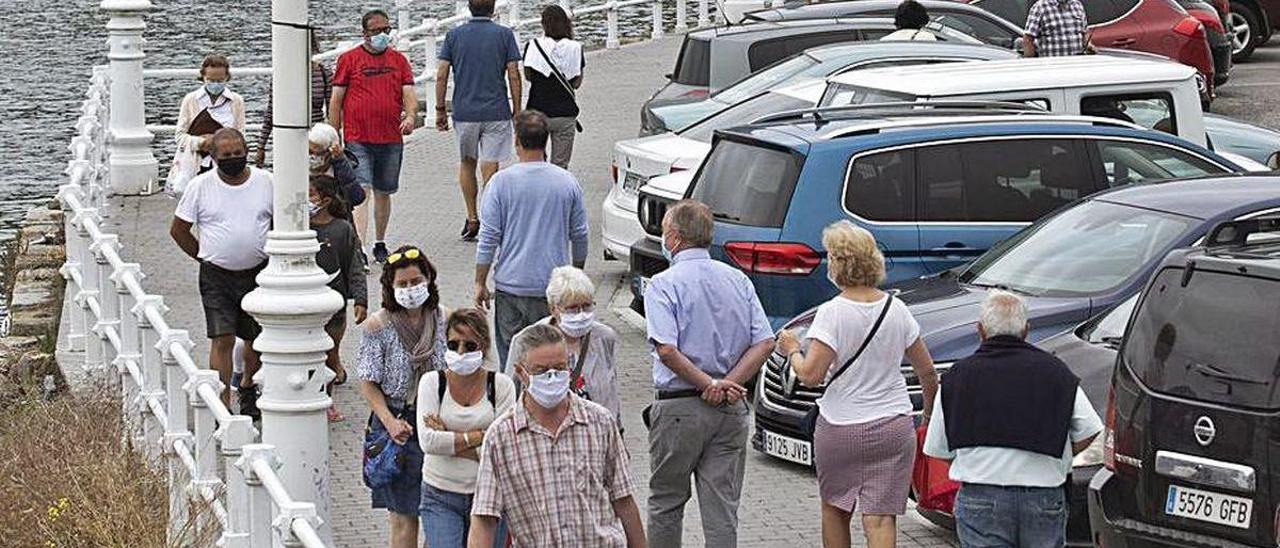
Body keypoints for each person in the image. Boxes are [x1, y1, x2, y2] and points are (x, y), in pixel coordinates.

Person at [775, 221, 939, 548]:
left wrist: (792, 349)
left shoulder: (832, 313)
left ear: (839, 263)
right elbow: (928, 371)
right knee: (880, 519)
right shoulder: (898, 310)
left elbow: (810, 375)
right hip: (893, 425)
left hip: (840, 426)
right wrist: (928, 417)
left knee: (835, 509)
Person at [923, 291, 1103, 548]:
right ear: (1026, 330)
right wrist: (1061, 453)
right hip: (1043, 495)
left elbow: (938, 447)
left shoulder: (957, 377)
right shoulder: (1056, 372)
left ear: (980, 330)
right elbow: (1089, 430)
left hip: (981, 494)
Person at [643, 200, 775, 548]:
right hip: (729, 410)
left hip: (679, 407)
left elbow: (667, 349)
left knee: (666, 502)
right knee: (722, 508)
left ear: (673, 238)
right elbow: (764, 342)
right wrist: (730, 382)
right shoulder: (737, 280)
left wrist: (709, 384)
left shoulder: (663, 284)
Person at [468, 324, 647, 548]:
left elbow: (624, 499)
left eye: (559, 368)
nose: (552, 377)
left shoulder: (600, 422)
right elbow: (484, 517)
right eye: (541, 371)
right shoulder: (501, 437)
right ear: (521, 372)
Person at [474, 110, 589, 369]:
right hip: (553, 289)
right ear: (546, 141)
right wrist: (575, 274)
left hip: (511, 288)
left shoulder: (500, 184)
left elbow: (488, 238)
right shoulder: (566, 182)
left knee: (513, 361)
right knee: (552, 360)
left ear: (517, 142)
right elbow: (580, 234)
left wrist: (480, 282)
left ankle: (515, 404)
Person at [169, 128, 270, 416]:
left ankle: (248, 386)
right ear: (213, 158)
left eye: (238, 153)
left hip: (258, 272)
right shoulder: (200, 186)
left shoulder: (267, 182)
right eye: (226, 155)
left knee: (256, 339)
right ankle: (222, 402)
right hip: (216, 275)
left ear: (246, 153)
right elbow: (179, 229)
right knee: (222, 338)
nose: (233, 159)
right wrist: (203, 256)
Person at [357, 245, 446, 548]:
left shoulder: (443, 318)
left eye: (416, 281)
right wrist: (389, 421)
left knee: (440, 513)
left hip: (438, 422)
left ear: (428, 280)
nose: (411, 289)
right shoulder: (377, 326)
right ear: (390, 287)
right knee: (404, 517)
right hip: (398, 426)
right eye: (403, 284)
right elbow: (368, 382)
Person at [416, 308, 515, 548]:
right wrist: (482, 436)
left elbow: (503, 450)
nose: (460, 352)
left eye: (469, 346)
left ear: (484, 346)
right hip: (440, 494)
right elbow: (428, 442)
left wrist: (449, 435)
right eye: (453, 344)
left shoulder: (501, 386)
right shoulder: (432, 382)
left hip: (489, 496)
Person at [330, 9, 418, 264]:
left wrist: (410, 116)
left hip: (391, 137)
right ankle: (360, 247)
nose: (382, 35)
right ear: (365, 33)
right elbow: (337, 100)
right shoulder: (349, 60)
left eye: (386, 30)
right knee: (362, 190)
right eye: (377, 30)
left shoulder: (399, 61)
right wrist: (334, 135)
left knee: (384, 191)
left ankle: (380, 241)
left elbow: (409, 94)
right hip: (358, 137)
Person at [435, 0, 523, 241]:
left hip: (465, 111)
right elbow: (514, 75)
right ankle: (492, 218)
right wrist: (517, 110)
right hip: (496, 110)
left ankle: (472, 217)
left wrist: (440, 109)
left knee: (467, 163)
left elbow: (441, 74)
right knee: (491, 166)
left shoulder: (454, 36)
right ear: (493, 8)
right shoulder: (504, 35)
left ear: (469, 8)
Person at [506, 266, 621, 424]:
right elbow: (510, 392)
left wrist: (617, 430)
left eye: (587, 306)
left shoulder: (604, 337)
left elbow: (611, 392)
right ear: (554, 309)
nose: (581, 314)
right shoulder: (525, 340)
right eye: (572, 308)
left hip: (594, 432)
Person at [310, 174, 368, 422]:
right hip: (307, 303)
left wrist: (361, 299)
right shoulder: (299, 228)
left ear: (324, 199)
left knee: (329, 353)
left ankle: (327, 399)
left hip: (335, 305)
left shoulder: (342, 229)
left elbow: (354, 265)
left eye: (310, 194)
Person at [256, 33, 333, 167]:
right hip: (288, 140)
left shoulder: (324, 74)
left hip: (316, 140)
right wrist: (261, 146)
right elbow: (271, 112)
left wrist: (332, 143)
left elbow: (332, 112)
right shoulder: (281, 76)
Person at [522, 6, 584, 169]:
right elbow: (576, 83)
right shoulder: (575, 48)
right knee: (560, 166)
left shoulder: (533, 46)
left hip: (537, 113)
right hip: (565, 114)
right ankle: (557, 193)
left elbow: (528, 76)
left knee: (535, 163)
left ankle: (537, 192)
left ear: (543, 24)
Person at [176, 54, 246, 173]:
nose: (215, 84)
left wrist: (220, 142)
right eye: (211, 80)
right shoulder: (191, 100)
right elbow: (179, 136)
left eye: (220, 80)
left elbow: (241, 135)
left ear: (227, 77)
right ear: (203, 77)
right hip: (195, 162)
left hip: (226, 163)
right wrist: (201, 142)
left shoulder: (236, 101)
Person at [309, 123, 366, 221]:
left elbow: (357, 197)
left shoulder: (341, 168)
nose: (312, 156)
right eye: (309, 151)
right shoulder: (299, 167)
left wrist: (340, 162)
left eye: (318, 152)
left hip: (336, 222)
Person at [1023, 0, 1091, 57]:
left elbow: (1085, 32)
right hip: (1051, 67)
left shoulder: (1078, 5)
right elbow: (1028, 39)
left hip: (1077, 65)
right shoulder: (1040, 7)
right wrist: (1032, 64)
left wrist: (1089, 46)